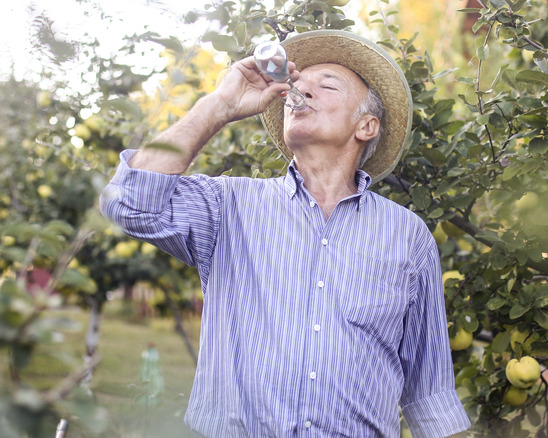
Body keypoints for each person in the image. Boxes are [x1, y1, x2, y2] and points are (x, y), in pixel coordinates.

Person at [100, 30, 471, 437]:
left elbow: (429, 394)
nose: (300, 89)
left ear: (365, 126)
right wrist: (220, 105)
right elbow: (129, 200)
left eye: (326, 85)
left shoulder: (407, 236)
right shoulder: (230, 206)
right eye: (298, 83)